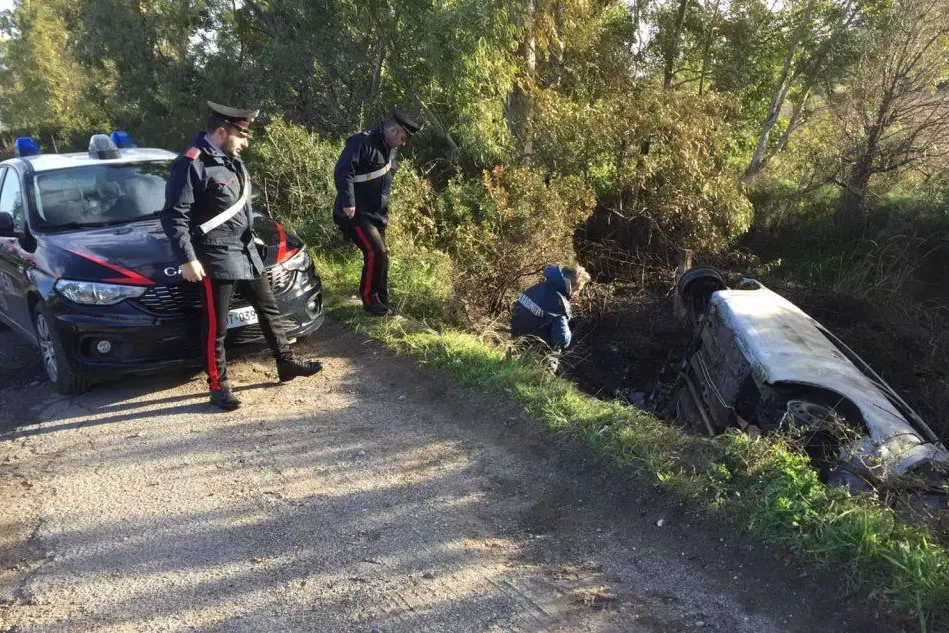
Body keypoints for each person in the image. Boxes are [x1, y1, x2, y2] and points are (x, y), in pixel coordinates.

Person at [162, 100, 323, 411]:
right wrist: (187, 258)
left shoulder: (231, 160)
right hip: (215, 256)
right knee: (216, 326)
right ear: (222, 131)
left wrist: (252, 232)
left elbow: (237, 205)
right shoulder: (192, 163)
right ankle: (218, 385)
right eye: (243, 136)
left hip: (247, 251)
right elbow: (174, 216)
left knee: (269, 309)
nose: (246, 143)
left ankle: (285, 363)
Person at [333, 111, 421, 316]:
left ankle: (382, 299)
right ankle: (369, 299)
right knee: (375, 252)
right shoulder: (360, 142)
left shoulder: (389, 149)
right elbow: (343, 171)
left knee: (383, 257)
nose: (403, 143)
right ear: (392, 130)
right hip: (356, 213)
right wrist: (348, 202)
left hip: (377, 215)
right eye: (402, 138)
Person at [511, 264, 591, 355]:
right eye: (577, 290)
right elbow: (561, 340)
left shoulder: (537, 288)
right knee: (555, 354)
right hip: (535, 353)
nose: (577, 294)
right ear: (570, 286)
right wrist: (569, 326)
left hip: (515, 342)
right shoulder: (560, 304)